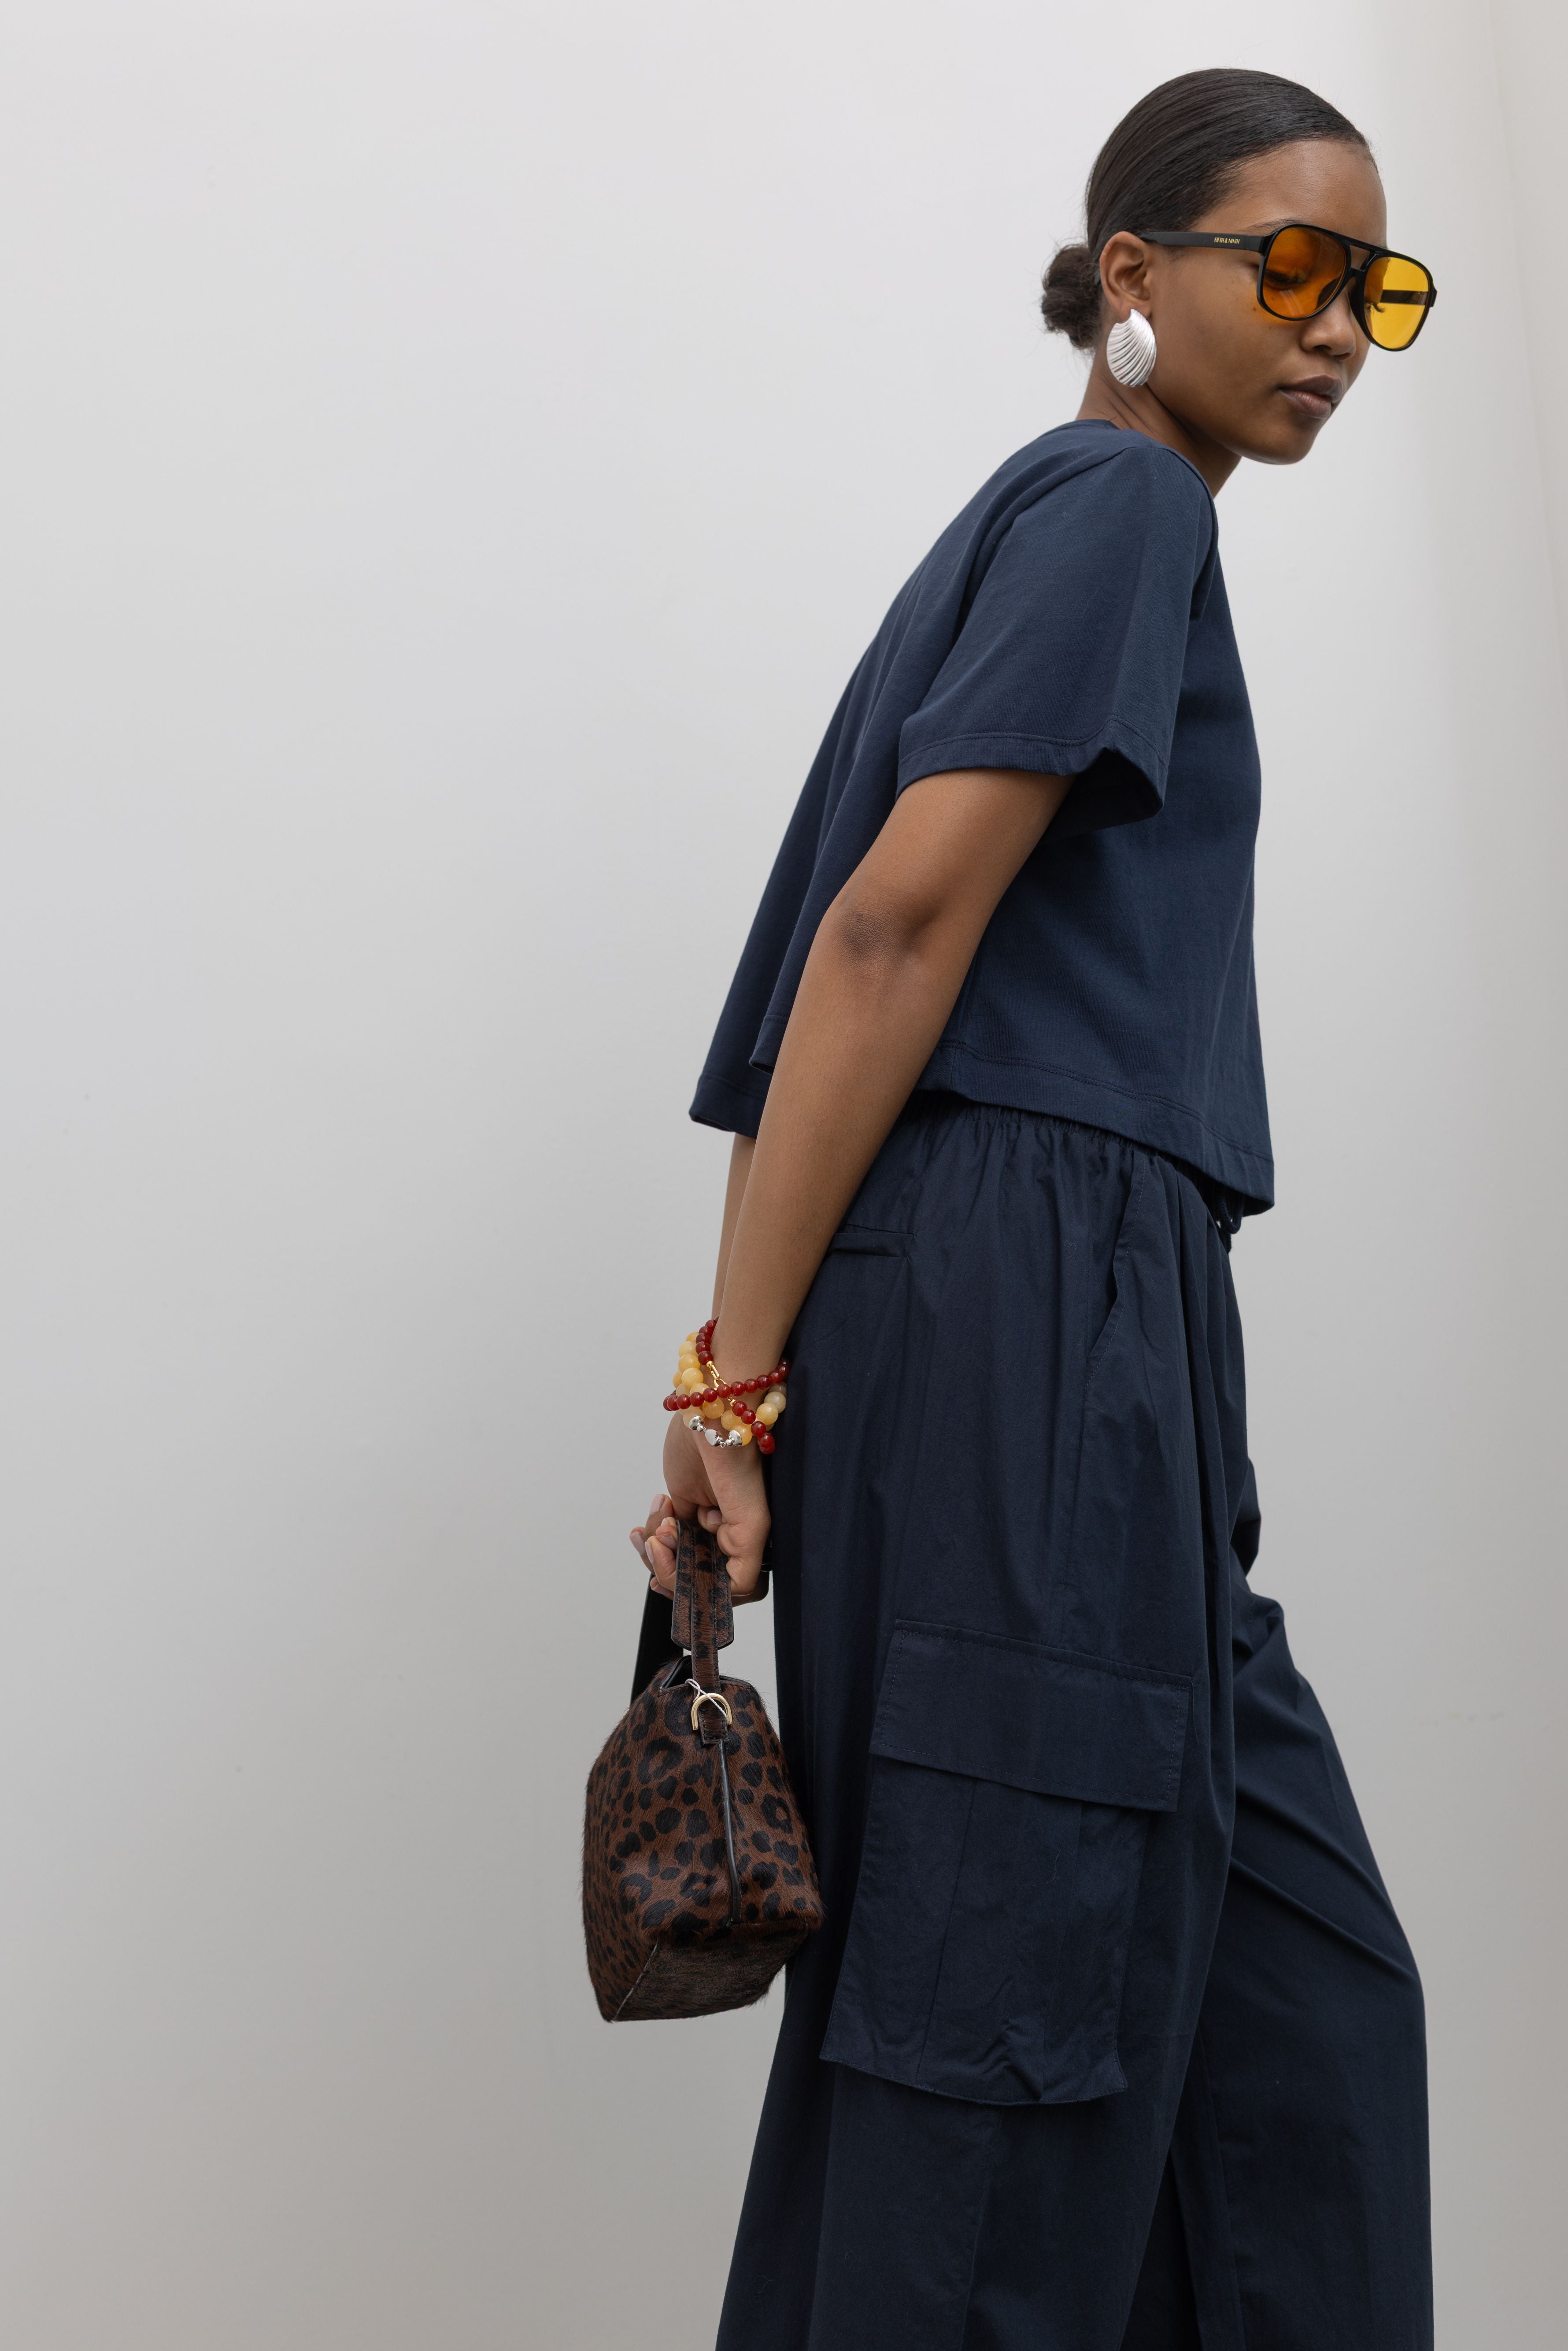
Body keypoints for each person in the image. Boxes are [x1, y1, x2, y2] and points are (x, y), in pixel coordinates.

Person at [630, 66, 1435, 2351]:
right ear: (1126, 277)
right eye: (1284, 265)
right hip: (1022, 1310)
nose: (1334, 327)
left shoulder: (1090, 516)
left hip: (1100, 1324)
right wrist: (724, 1384)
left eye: (1373, 284)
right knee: (1006, 2001)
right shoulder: (1112, 509)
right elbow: (887, 938)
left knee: (1292, 2026)